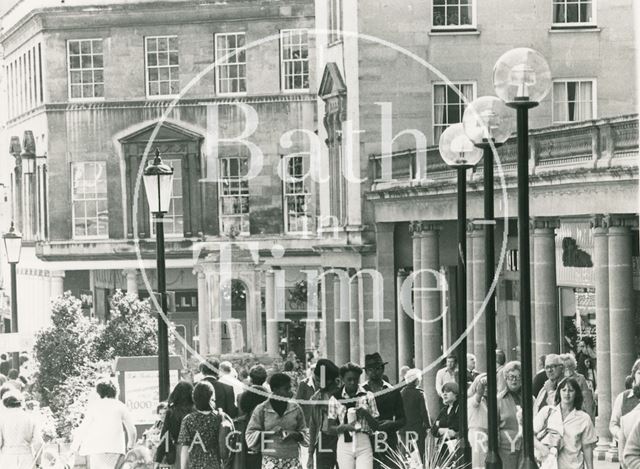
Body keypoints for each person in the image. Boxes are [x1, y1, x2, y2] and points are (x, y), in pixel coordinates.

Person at [246, 372, 308, 469]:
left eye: (290, 388)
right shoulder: (262, 409)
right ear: (275, 390)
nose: (291, 392)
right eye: (286, 389)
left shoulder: (296, 408)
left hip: (293, 460)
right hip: (270, 461)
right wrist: (268, 433)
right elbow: (250, 434)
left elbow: (306, 432)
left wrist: (295, 434)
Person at [71, 379, 137, 469]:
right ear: (115, 391)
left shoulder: (94, 406)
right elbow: (132, 431)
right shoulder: (121, 406)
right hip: (116, 449)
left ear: (99, 392)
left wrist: (74, 447)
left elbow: (83, 429)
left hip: (96, 449)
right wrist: (130, 446)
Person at [535, 377, 596, 469]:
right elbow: (529, 434)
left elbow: (587, 447)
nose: (567, 393)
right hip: (549, 465)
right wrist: (540, 447)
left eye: (571, 390)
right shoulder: (547, 412)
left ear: (576, 394)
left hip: (573, 465)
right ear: (559, 392)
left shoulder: (584, 418)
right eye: (564, 390)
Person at [327, 362, 380, 469]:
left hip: (364, 441)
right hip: (344, 443)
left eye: (355, 379)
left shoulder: (367, 396)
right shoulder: (335, 398)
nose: (352, 382)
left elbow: (376, 426)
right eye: (349, 379)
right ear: (342, 379)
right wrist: (344, 427)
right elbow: (329, 428)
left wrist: (366, 413)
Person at [363, 352, 406, 469]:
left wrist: (392, 424)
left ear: (382, 369)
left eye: (377, 368)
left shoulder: (393, 391)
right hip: (367, 441)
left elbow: (402, 419)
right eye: (370, 369)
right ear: (366, 372)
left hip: (389, 439)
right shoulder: (361, 391)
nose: (374, 372)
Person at [178, 381, 231, 469]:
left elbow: (185, 448)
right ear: (212, 397)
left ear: (194, 398)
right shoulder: (221, 417)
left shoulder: (188, 420)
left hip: (195, 465)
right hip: (217, 465)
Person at [308, 359, 341, 469]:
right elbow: (313, 426)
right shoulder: (316, 398)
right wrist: (310, 455)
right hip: (323, 440)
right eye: (315, 380)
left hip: (342, 439)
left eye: (319, 380)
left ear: (330, 381)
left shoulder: (343, 396)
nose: (316, 383)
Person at [155, 380, 194, 469]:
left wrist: (158, 458)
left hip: (178, 450)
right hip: (196, 449)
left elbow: (165, 436)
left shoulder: (172, 412)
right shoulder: (195, 410)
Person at [0, 390, 43, 469]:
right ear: (21, 403)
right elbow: (38, 443)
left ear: (4, 404)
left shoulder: (2, 418)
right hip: (26, 458)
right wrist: (38, 463)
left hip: (7, 458)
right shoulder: (30, 418)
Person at [610, 359, 640, 468]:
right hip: (627, 450)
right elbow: (613, 424)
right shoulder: (623, 397)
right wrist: (622, 434)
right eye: (639, 373)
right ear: (634, 376)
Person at [400, 368, 430, 461]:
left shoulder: (401, 393)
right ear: (416, 381)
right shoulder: (420, 393)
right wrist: (428, 426)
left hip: (403, 428)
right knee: (419, 454)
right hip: (417, 429)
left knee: (405, 454)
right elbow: (424, 411)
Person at [497, 361, 523, 468]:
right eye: (511, 376)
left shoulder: (530, 399)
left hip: (526, 449)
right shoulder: (498, 400)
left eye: (518, 377)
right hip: (506, 450)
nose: (514, 380)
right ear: (506, 378)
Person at [560, 353, 595, 422]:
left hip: (579, 411)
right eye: (565, 367)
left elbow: (587, 399)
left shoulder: (581, 378)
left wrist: (589, 417)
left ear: (574, 366)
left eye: (570, 366)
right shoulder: (560, 380)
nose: (568, 369)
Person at [468, 373, 488, 469]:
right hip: (478, 435)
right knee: (479, 464)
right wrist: (482, 383)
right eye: (485, 386)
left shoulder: (492, 400)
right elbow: (479, 395)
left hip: (488, 434)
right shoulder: (473, 400)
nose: (486, 388)